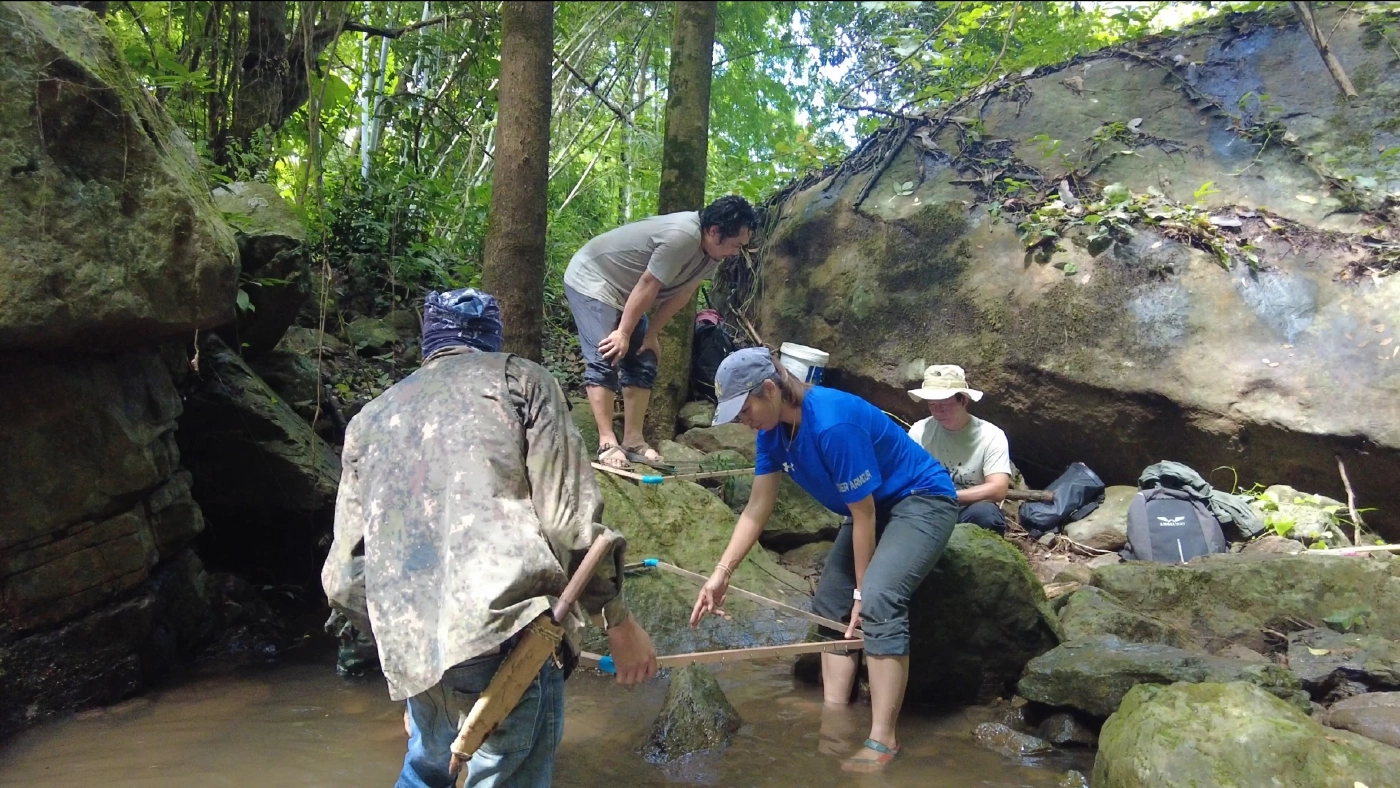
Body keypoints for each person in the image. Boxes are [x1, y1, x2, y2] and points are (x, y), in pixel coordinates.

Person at [322, 287, 658, 788]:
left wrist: (412, 672)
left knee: (425, 769)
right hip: (506, 633)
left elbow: (344, 579)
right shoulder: (521, 382)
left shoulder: (370, 418)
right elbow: (569, 521)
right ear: (492, 340)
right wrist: (617, 619)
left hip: (415, 643)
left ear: (429, 346)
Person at [688, 347, 959, 773]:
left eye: (744, 410)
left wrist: (862, 594)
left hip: (919, 500)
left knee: (879, 597)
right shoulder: (772, 432)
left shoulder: (831, 423)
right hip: (867, 507)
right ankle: (836, 717)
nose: (744, 421)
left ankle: (883, 739)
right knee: (829, 604)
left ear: (771, 389)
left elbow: (864, 514)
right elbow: (757, 508)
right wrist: (721, 574)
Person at [564, 196, 758, 470]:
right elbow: (649, 283)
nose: (737, 252)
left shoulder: (712, 254)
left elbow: (683, 294)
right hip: (594, 279)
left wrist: (650, 333)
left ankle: (633, 440)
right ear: (715, 232)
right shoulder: (682, 236)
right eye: (736, 244)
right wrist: (622, 332)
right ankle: (607, 441)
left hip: (626, 293)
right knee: (606, 353)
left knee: (643, 358)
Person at [906, 365, 1014, 536]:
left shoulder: (991, 435)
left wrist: (947, 494)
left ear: (963, 400)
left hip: (969, 508)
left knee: (987, 515)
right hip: (929, 507)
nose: (938, 411)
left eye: (944, 404)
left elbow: (998, 488)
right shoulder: (920, 431)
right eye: (932, 404)